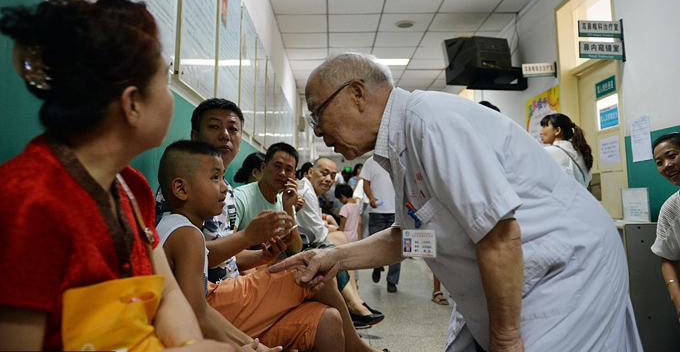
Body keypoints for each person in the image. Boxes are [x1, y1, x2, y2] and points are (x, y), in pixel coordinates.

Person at [272, 51, 643, 352]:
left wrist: (505, 340)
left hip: (564, 271)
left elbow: (500, 234)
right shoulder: (399, 144)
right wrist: (334, 258)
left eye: (318, 112)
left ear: (356, 93)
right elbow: (411, 237)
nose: (317, 129)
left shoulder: (429, 123)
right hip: (517, 278)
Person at [0, 0, 231, 351]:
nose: (171, 99)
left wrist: (188, 345)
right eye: (165, 81)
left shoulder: (131, 188)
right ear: (132, 103)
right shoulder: (25, 202)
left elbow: (168, 293)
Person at [155, 99, 383, 351]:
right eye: (214, 127)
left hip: (231, 290)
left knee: (328, 319)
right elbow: (198, 302)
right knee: (313, 267)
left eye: (233, 129)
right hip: (221, 296)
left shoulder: (226, 194)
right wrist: (248, 237)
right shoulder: (181, 212)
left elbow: (228, 258)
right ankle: (358, 345)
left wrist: (263, 255)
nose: (225, 135)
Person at [157, 141, 281, 352]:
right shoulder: (187, 235)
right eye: (215, 177)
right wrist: (238, 350)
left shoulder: (174, 226)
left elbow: (202, 309)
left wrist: (252, 345)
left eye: (223, 177)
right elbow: (196, 317)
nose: (224, 187)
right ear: (181, 189)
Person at [297, 157, 384, 326]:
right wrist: (330, 226)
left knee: (341, 238)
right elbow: (317, 233)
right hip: (301, 242)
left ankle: (356, 299)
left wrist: (326, 223)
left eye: (332, 175)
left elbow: (315, 222)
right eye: (324, 173)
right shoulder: (306, 192)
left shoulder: (310, 190)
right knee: (338, 242)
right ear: (310, 172)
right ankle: (353, 303)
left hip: (306, 236)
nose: (328, 179)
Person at [233, 142, 303, 254]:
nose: (282, 173)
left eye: (288, 169)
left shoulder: (286, 201)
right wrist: (263, 256)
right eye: (277, 166)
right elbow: (226, 250)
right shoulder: (240, 196)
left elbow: (295, 250)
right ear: (263, 167)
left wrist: (288, 209)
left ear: (293, 176)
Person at [651, 132, 680, 324]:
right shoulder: (671, 209)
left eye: (672, 156)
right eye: (659, 162)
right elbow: (668, 258)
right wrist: (676, 297)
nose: (667, 165)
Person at [361, 155, 401, 293]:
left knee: (397, 247)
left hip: (396, 211)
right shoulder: (370, 161)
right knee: (376, 244)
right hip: (376, 211)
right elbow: (365, 183)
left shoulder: (398, 159)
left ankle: (392, 281)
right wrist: (371, 198)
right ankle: (377, 266)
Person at [539, 113, 593, 188]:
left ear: (557, 130)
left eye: (544, 126)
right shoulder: (580, 152)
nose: (541, 132)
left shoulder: (548, 152)